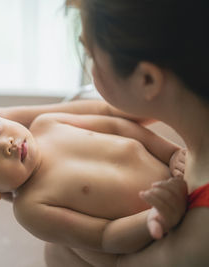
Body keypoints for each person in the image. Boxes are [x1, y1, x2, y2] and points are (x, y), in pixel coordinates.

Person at [37, 0, 208, 266]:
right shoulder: (189, 94)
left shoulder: (198, 240)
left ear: (147, 80)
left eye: (91, 56)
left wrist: (73, 233)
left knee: (59, 249)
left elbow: (120, 264)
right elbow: (104, 114)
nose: (90, 66)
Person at [0, 100, 187, 261]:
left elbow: (118, 127)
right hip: (160, 229)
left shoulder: (49, 123)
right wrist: (155, 217)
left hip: (178, 171)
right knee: (56, 254)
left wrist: (171, 153)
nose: (7, 144)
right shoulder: (31, 208)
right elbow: (104, 237)